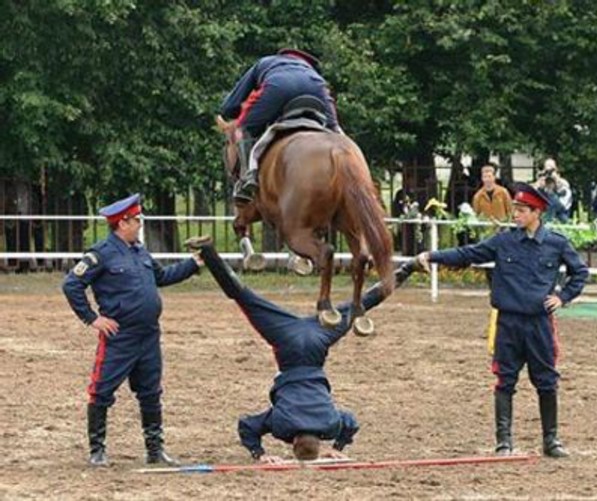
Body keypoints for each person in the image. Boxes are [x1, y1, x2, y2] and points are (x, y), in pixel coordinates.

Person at [186, 236, 414, 463]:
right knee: (245, 297)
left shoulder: (331, 424)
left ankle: (408, 268)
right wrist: (260, 454)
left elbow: (351, 422)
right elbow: (247, 426)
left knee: (362, 304)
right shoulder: (281, 426)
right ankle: (208, 251)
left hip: (318, 341)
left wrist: (339, 447)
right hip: (286, 342)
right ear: (293, 443)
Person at [416, 183, 589, 458]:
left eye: (521, 210)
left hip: (539, 324)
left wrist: (563, 297)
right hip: (507, 323)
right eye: (516, 209)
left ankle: (551, 440)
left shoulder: (556, 243)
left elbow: (580, 272)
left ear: (537, 212)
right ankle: (503, 441)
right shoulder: (503, 241)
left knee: (546, 381)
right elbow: (467, 254)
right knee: (504, 381)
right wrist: (432, 256)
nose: (515, 215)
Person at [62, 194, 202, 467]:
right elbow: (71, 285)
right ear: (122, 222)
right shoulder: (100, 254)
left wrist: (192, 265)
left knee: (151, 393)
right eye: (136, 220)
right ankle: (98, 451)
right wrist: (92, 319)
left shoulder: (140, 251)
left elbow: (162, 277)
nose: (139, 224)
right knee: (101, 391)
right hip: (120, 337)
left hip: (148, 335)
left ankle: (155, 450)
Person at [219, 48, 339, 202]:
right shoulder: (311, 71)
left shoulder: (266, 62)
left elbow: (232, 105)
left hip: (279, 86)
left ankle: (248, 177)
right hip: (316, 87)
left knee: (243, 128)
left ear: (282, 55)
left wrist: (228, 111)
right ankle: (357, 171)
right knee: (335, 133)